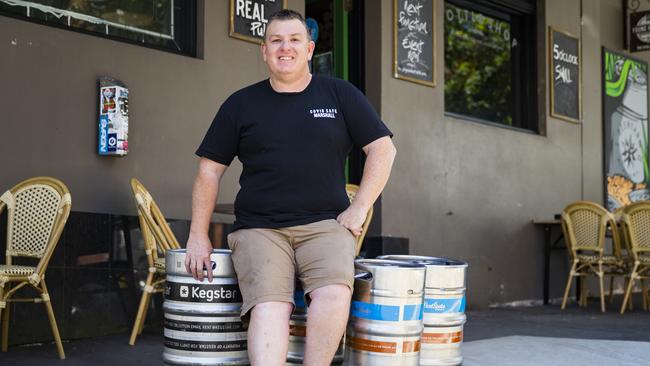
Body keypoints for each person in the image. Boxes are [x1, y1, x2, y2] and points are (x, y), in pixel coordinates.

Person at [185, 9, 396, 366]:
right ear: (264, 51)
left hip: (326, 225)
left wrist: (358, 207)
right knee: (270, 304)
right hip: (259, 227)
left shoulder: (339, 94)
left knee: (333, 293)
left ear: (310, 49)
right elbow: (209, 171)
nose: (286, 48)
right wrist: (197, 234)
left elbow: (382, 149)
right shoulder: (240, 103)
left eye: (295, 40)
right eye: (276, 40)